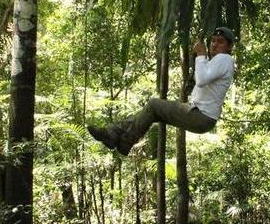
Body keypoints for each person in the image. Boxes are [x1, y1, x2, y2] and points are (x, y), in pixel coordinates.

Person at [87, 26, 237, 155]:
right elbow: (204, 81)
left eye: (221, 42)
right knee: (151, 112)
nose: (214, 45)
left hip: (201, 117)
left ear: (229, 47)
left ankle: (124, 141)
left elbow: (202, 79)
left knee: (153, 105)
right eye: (213, 41)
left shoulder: (224, 59)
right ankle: (113, 132)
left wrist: (201, 54)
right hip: (199, 115)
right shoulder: (217, 62)